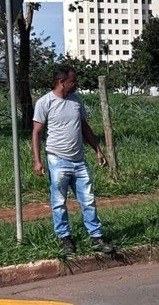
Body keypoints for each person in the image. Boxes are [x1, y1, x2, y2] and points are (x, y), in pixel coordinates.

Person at [31, 66, 114, 256]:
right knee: (59, 201)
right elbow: (36, 132)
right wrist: (37, 160)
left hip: (79, 160)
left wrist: (98, 150)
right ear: (62, 82)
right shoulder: (45, 102)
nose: (76, 85)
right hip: (57, 160)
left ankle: (96, 236)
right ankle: (65, 238)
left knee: (88, 199)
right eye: (73, 81)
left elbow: (84, 128)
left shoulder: (76, 101)